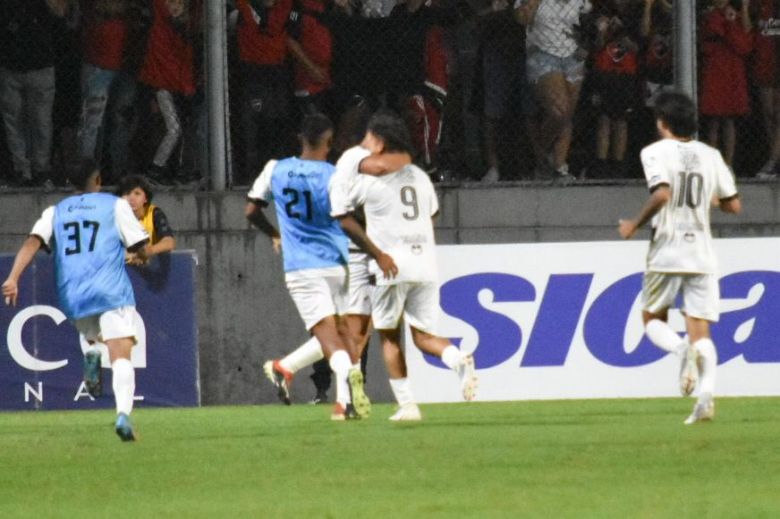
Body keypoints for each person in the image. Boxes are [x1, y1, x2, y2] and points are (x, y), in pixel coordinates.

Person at [337, 110, 479, 418]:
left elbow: (344, 215)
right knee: (424, 337)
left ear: (379, 142)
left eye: (370, 137)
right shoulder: (419, 175)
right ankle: (457, 358)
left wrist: (377, 245)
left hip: (391, 265)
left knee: (389, 337)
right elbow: (432, 214)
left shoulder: (368, 181)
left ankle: (408, 405)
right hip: (425, 263)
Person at [2, 160, 151, 440]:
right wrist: (140, 257)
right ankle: (123, 415)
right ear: (98, 181)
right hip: (110, 289)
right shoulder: (114, 205)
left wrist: (13, 278)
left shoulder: (54, 212)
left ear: (70, 183)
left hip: (74, 293)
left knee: (93, 336)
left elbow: (32, 242)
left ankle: (92, 350)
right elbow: (140, 246)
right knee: (121, 353)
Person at [618, 92, 742, 424]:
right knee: (701, 332)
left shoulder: (654, 152)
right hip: (701, 253)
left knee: (653, 321)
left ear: (663, 123)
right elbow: (734, 205)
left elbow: (662, 193)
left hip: (667, 251)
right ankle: (705, 397)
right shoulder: (711, 155)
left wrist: (633, 224)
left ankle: (679, 350)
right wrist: (710, 199)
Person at [245, 113, 369, 420]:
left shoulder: (276, 169)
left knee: (328, 338)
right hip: (338, 264)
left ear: (300, 138)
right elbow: (354, 217)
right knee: (340, 333)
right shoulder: (335, 175)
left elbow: (251, 210)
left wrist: (274, 234)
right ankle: (344, 400)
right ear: (329, 141)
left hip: (302, 268)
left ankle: (338, 393)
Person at [515, 0, 591, 181]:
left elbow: (589, 19)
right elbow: (521, 19)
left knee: (567, 115)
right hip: (543, 55)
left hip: (573, 55)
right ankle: (537, 156)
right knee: (560, 111)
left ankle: (557, 166)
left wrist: (587, 43)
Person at [0, 0, 67, 187]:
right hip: (15, 66)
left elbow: (62, 14)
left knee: (38, 121)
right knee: (22, 122)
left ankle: (36, 168)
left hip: (37, 66)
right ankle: (26, 169)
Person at [137, 0, 198, 184]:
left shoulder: (185, 30)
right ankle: (156, 168)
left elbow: (186, 63)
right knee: (174, 129)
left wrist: (188, 87)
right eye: (171, 2)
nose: (175, 7)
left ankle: (177, 170)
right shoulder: (161, 24)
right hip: (162, 85)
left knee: (181, 129)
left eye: (179, 3)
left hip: (178, 87)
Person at [699, 0, 753, 167]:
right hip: (714, 70)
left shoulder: (734, 16)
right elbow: (706, 42)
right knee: (713, 121)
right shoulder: (709, 15)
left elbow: (744, 45)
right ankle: (711, 164)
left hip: (731, 71)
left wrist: (730, 23)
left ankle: (728, 164)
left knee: (728, 119)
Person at [117, 175, 176, 264]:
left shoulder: (154, 213)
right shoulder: (114, 217)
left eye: (137, 193)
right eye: (127, 193)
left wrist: (149, 251)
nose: (131, 198)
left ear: (145, 198)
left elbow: (169, 242)